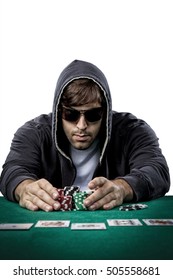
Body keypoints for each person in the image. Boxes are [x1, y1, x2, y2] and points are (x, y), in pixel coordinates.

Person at [0, 59, 170, 212]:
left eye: (93, 115)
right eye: (71, 115)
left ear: (106, 112)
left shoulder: (133, 130)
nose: (82, 126)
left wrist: (123, 188)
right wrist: (24, 188)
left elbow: (157, 170)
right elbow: (13, 171)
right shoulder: (34, 132)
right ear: (59, 112)